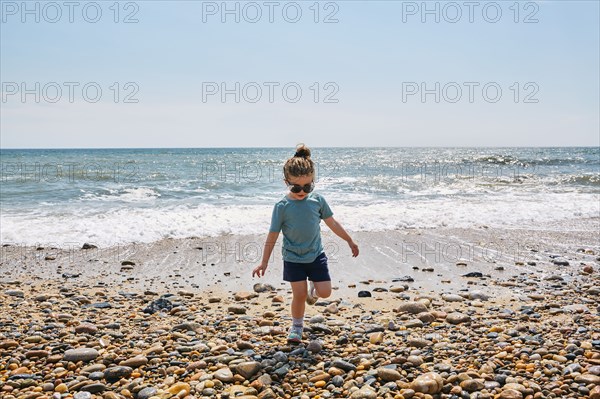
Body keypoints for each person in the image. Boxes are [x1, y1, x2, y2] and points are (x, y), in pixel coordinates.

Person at [252, 144, 359, 343]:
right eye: (296, 187)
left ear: (313, 182)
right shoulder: (282, 207)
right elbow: (273, 235)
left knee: (325, 293)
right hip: (293, 258)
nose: (302, 191)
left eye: (307, 186)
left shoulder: (317, 201)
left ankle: (314, 289)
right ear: (287, 182)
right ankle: (297, 327)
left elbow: (332, 223)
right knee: (299, 295)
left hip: (316, 255)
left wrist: (349, 240)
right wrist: (264, 262)